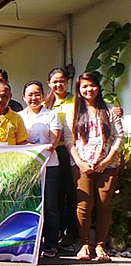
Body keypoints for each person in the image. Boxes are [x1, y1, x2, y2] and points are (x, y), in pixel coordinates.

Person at [64, 73, 124, 262]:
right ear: (79, 90)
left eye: (92, 86)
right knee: (83, 205)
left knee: (104, 205)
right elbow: (69, 140)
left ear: (98, 87)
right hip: (82, 165)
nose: (89, 90)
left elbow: (120, 137)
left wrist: (106, 161)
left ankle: (100, 246)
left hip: (107, 165)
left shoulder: (110, 110)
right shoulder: (72, 112)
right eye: (84, 87)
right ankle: (84, 245)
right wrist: (80, 163)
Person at [18, 81, 62, 258]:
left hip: (50, 165)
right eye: (30, 94)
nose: (33, 97)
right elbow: (18, 141)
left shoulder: (51, 115)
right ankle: (30, 244)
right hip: (27, 168)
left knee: (50, 206)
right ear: (23, 97)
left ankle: (50, 243)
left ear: (43, 96)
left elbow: (54, 140)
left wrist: (43, 146)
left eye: (37, 94)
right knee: (29, 205)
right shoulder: (19, 116)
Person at [44, 68, 79, 250]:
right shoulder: (45, 104)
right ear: (49, 83)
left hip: (71, 151)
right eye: (54, 81)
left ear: (67, 82)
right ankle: (55, 230)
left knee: (70, 192)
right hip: (52, 152)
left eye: (62, 81)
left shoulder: (76, 101)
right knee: (54, 195)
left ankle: (70, 232)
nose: (58, 84)